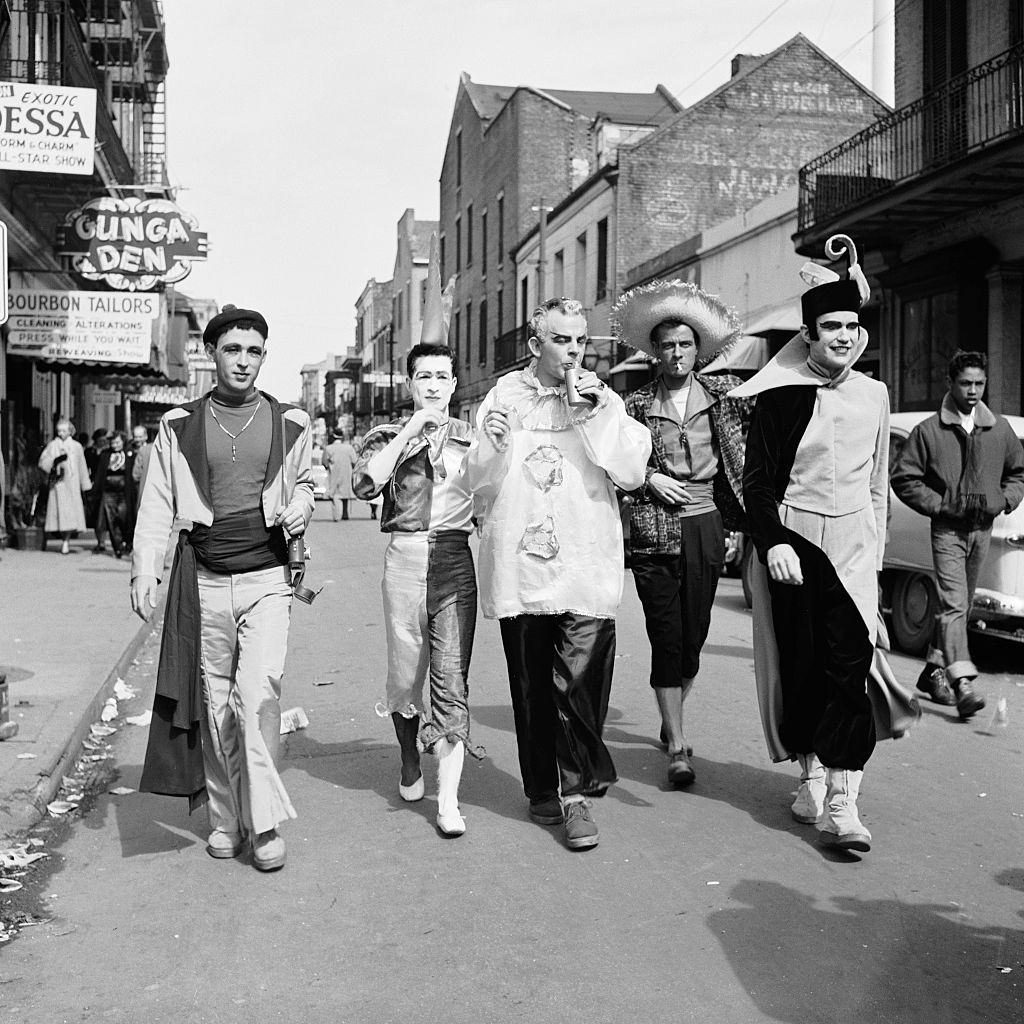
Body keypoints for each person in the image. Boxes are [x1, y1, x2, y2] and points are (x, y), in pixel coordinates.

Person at [130, 304, 314, 872]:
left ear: (264, 357)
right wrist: (145, 569)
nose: (243, 361)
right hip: (205, 580)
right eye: (232, 349)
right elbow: (158, 502)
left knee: (255, 699)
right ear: (213, 355)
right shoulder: (180, 424)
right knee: (215, 709)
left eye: (253, 351)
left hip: (266, 580)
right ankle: (224, 818)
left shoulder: (291, 422)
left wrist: (301, 506)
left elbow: (306, 482)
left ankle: (263, 827)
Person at [466, 297, 651, 851]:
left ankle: (577, 796)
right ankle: (541, 785)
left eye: (580, 341)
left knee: (579, 679)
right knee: (529, 683)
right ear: (535, 345)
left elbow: (632, 469)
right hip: (522, 566)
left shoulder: (601, 395)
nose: (574, 351)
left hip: (584, 560)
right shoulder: (502, 396)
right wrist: (494, 443)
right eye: (562, 340)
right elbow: (476, 478)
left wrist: (596, 413)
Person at [735, 235, 894, 854]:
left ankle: (844, 802)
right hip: (797, 547)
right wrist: (771, 540)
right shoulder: (779, 396)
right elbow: (756, 485)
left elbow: (877, 490)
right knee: (803, 671)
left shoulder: (875, 396)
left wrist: (874, 578)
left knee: (849, 670)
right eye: (832, 326)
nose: (846, 337)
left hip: (853, 546)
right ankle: (812, 774)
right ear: (809, 333)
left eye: (854, 326)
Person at [614, 281, 752, 788]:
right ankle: (677, 742)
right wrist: (650, 478)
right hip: (654, 529)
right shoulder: (632, 406)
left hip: (707, 526)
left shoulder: (726, 398)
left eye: (685, 345)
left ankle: (670, 710)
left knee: (693, 638)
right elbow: (616, 464)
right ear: (655, 352)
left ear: (699, 351)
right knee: (665, 636)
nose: (676, 353)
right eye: (667, 345)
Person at [353, 325, 480, 835]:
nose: (433, 385)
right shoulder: (385, 437)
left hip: (454, 558)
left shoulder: (473, 437)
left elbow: (495, 493)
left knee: (451, 678)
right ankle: (409, 756)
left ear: (454, 384)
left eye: (441, 377)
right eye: (423, 376)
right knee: (406, 677)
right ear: (409, 383)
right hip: (403, 559)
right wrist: (411, 431)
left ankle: (449, 802)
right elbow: (365, 485)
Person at [891, 350, 1024, 718]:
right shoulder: (929, 431)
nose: (973, 391)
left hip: (982, 529)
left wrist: (1003, 501)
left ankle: (934, 671)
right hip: (947, 530)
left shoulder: (999, 429)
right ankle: (963, 681)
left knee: (961, 606)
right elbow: (903, 478)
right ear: (950, 383)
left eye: (979, 383)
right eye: (965, 383)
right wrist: (941, 505)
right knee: (953, 603)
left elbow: (1018, 473)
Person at [38, 419, 91, 555]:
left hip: (72, 483)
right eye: (59, 430)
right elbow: (43, 461)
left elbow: (82, 465)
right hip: (58, 484)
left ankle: (66, 541)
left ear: (70, 431)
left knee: (70, 512)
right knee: (60, 512)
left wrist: (85, 484)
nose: (61, 433)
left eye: (64, 430)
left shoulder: (77, 446)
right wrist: (53, 463)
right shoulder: (52, 445)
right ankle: (63, 539)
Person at [93, 431, 136, 559]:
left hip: (124, 492)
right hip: (109, 492)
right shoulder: (105, 455)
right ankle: (117, 547)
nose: (115, 444)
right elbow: (100, 473)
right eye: (112, 442)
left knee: (124, 518)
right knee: (111, 520)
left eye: (117, 442)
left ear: (123, 441)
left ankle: (127, 542)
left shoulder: (130, 454)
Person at [323, 428, 359, 521]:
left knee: (336, 495)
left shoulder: (328, 448)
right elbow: (355, 462)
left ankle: (337, 516)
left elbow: (324, 463)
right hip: (347, 474)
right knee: (345, 493)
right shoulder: (349, 448)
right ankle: (345, 514)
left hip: (334, 474)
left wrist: (328, 467)